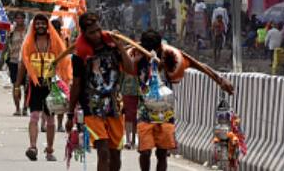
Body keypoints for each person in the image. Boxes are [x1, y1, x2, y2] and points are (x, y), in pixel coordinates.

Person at [133, 29, 234, 171]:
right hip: (144, 112)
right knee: (144, 152)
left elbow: (197, 64)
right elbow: (126, 66)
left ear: (158, 47)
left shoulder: (171, 56)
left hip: (165, 113)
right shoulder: (137, 56)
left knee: (162, 153)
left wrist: (220, 80)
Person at [66, 13, 136, 171]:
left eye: (98, 30)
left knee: (115, 154)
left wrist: (119, 46)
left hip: (114, 107)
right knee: (103, 151)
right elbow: (76, 85)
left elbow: (130, 69)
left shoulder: (112, 46)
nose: (97, 35)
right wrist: (70, 114)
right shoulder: (79, 55)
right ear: (84, 33)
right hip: (92, 108)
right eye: (92, 32)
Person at [15, 13, 70, 162]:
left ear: (47, 25)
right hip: (35, 85)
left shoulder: (55, 42)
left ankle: (50, 149)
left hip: (52, 85)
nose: (40, 26)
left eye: (42, 23)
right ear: (34, 26)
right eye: (37, 24)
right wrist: (17, 85)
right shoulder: (28, 43)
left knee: (50, 119)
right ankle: (32, 147)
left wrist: (65, 82)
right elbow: (22, 64)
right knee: (34, 116)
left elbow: (64, 62)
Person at [7, 11, 27, 116]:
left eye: (21, 18)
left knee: (27, 86)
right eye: (17, 18)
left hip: (26, 62)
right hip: (13, 61)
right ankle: (17, 108)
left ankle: (25, 107)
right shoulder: (11, 31)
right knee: (16, 85)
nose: (20, 20)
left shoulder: (28, 31)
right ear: (15, 19)